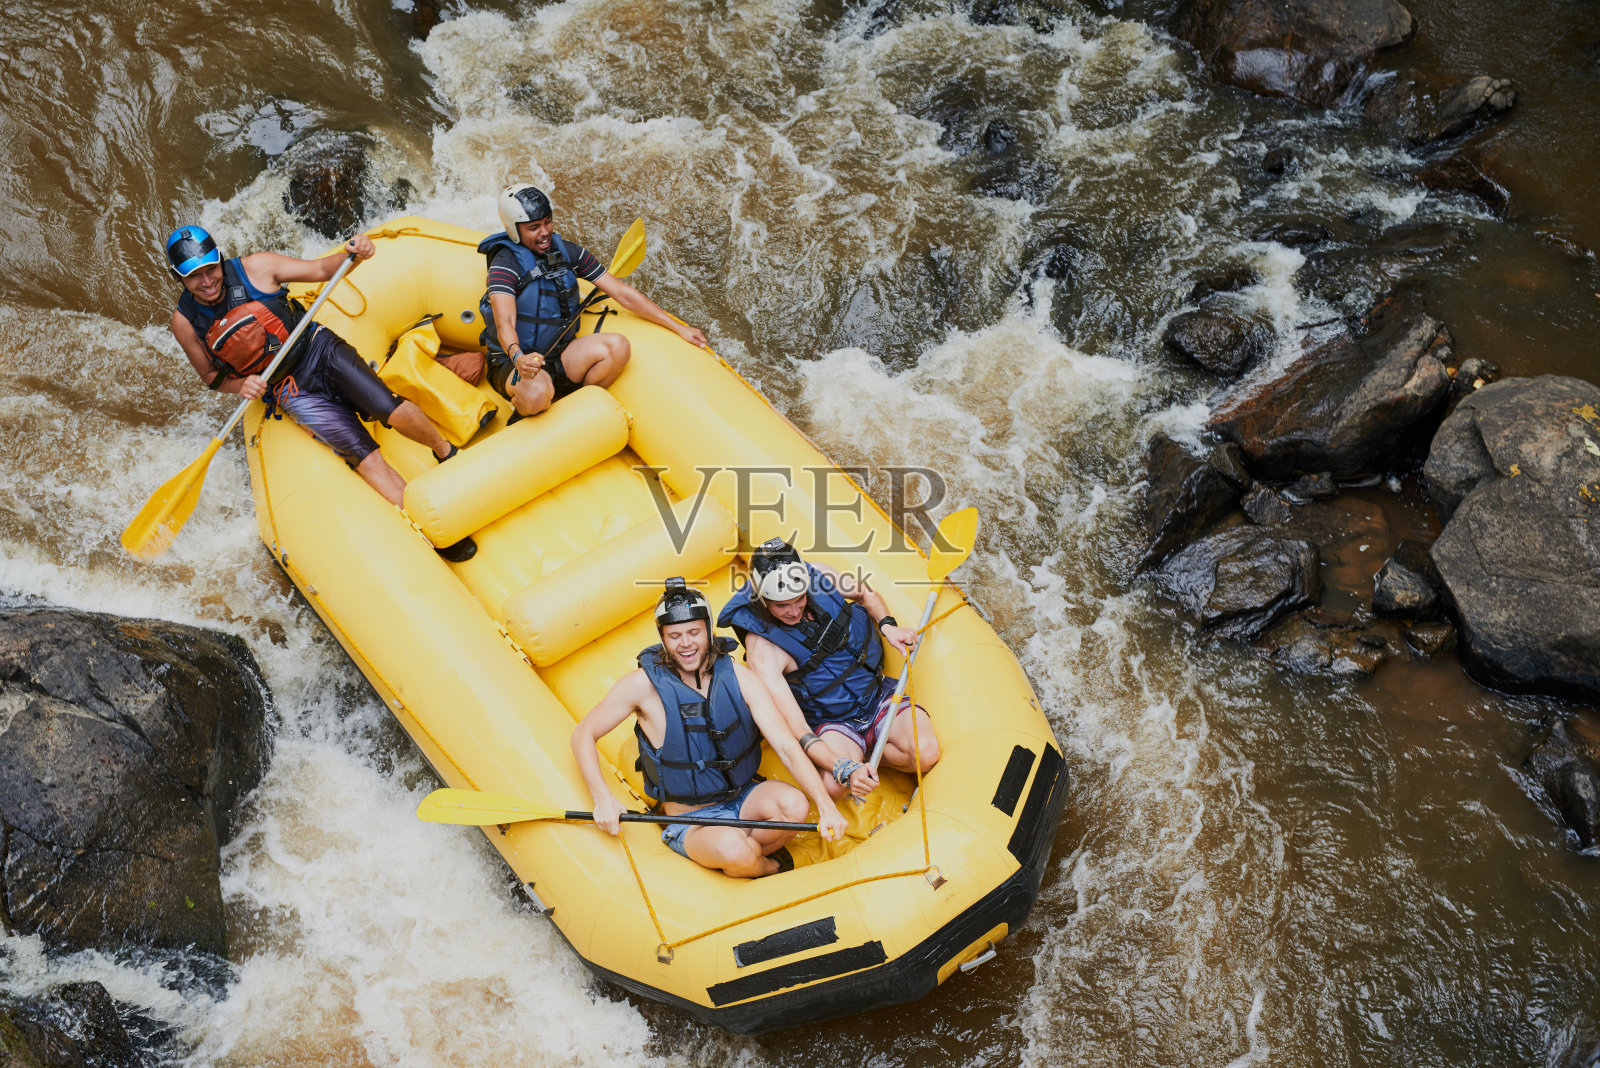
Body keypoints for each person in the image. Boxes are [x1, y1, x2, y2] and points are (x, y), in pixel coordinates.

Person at [165, 225, 475, 561]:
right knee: (364, 455)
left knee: (390, 408)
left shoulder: (257, 268)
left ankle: (445, 452)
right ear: (178, 278)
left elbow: (321, 270)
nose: (207, 280)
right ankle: (435, 531)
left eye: (210, 269)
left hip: (318, 350)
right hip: (289, 390)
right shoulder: (184, 322)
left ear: (220, 259)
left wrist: (353, 255)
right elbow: (210, 377)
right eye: (194, 276)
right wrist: (240, 385)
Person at [571, 578, 847, 878]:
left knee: (795, 806)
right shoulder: (641, 687)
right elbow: (584, 734)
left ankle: (745, 855)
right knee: (736, 850)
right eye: (674, 635)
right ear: (662, 638)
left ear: (708, 630)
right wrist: (602, 798)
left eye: (693, 632)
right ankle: (769, 866)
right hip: (692, 818)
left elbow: (785, 746)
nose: (686, 643)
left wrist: (826, 805)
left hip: (743, 796)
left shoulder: (739, 677)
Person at [717, 539, 940, 800]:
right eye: (781, 605)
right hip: (833, 721)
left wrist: (888, 626)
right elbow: (798, 729)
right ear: (763, 599)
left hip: (875, 694)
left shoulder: (819, 575)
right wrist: (841, 766)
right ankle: (856, 755)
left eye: (799, 599)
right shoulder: (763, 650)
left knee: (926, 754)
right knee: (834, 787)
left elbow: (864, 593)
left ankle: (868, 752)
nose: (793, 611)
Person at [478, 186, 709, 420]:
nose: (545, 232)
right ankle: (531, 403)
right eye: (534, 227)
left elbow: (622, 292)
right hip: (514, 364)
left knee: (618, 347)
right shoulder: (505, 265)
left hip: (559, 354)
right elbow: (504, 322)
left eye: (547, 222)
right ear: (514, 229)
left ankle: (575, 409)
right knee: (536, 394)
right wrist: (518, 357)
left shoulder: (569, 253)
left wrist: (679, 328)